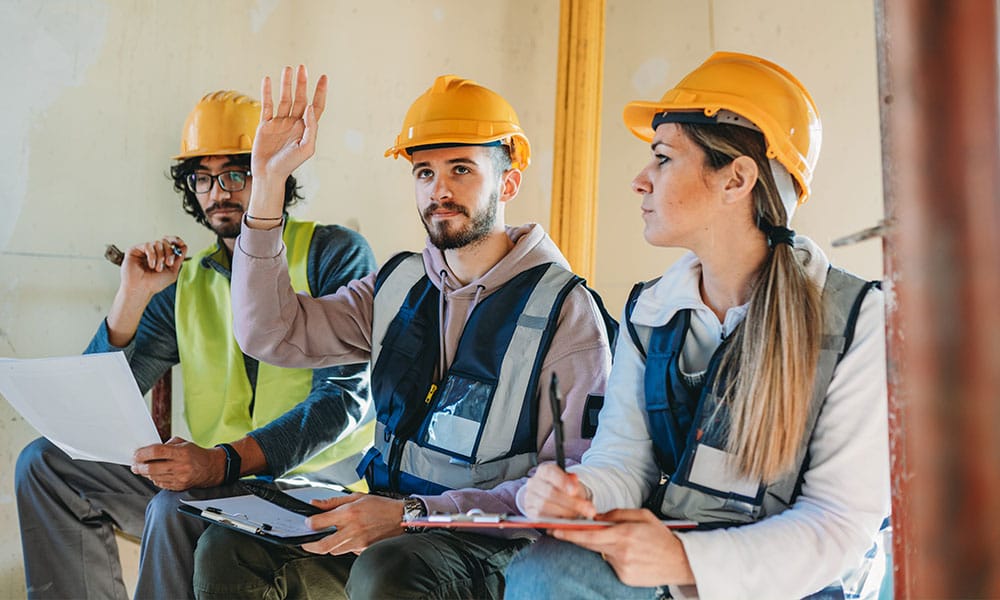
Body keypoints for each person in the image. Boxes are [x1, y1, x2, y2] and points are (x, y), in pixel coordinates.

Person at [190, 66, 615, 600]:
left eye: (461, 169)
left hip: (494, 546)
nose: (440, 189)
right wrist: (269, 183)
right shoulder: (398, 286)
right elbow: (270, 333)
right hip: (387, 519)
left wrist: (415, 514)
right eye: (424, 172)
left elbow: (572, 485)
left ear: (508, 182)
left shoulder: (564, 311)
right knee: (230, 547)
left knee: (388, 569)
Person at [504, 51, 890, 600]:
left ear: (736, 179)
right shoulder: (651, 310)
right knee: (545, 571)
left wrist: (683, 560)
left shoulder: (858, 319)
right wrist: (576, 492)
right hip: (677, 570)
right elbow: (623, 463)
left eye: (663, 158)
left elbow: (838, 524)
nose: (640, 181)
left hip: (803, 589)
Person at [14, 90, 378, 600]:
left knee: (176, 507)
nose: (217, 193)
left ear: (270, 172)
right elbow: (88, 412)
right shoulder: (186, 284)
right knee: (45, 464)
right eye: (202, 178)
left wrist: (223, 462)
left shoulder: (331, 253)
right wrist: (131, 298)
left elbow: (342, 400)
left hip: (314, 490)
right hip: (216, 481)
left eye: (234, 174)